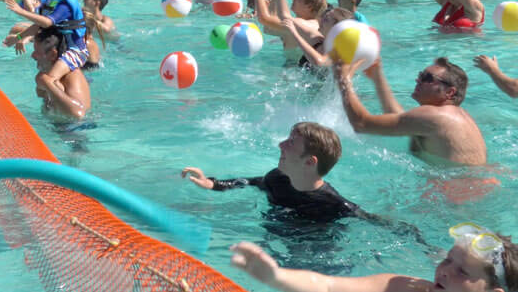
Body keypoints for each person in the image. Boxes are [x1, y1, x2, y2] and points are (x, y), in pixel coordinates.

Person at [230, 225, 518, 292]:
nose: (443, 272)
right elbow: (329, 286)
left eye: (463, 271)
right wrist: (275, 276)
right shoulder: (409, 288)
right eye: (447, 259)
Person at [182, 122, 364, 222]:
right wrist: (212, 183)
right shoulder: (276, 179)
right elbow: (249, 182)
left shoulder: (335, 205)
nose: (280, 145)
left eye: (291, 143)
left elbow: (374, 223)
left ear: (309, 162)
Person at [336, 56, 487, 166]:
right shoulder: (452, 115)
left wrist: (343, 80)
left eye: (427, 78)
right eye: (420, 75)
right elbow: (400, 118)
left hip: (456, 193)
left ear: (449, 92)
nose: (418, 80)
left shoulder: (434, 116)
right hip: (472, 185)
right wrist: (377, 76)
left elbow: (361, 124)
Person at [5, 0, 89, 87]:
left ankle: (56, 105)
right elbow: (38, 25)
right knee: (43, 81)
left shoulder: (64, 6)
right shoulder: (53, 2)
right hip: (62, 49)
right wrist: (17, 38)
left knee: (49, 80)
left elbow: (46, 22)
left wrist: (21, 11)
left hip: (75, 51)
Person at [32, 27, 91, 120]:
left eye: (37, 51)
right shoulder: (47, 73)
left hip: (76, 130)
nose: (33, 55)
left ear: (52, 54)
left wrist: (47, 83)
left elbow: (78, 113)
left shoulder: (72, 75)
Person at [82, 0, 114, 69]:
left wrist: (90, 19)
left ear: (97, 3)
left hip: (115, 46)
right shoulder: (84, 18)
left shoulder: (105, 20)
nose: (83, 0)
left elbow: (107, 29)